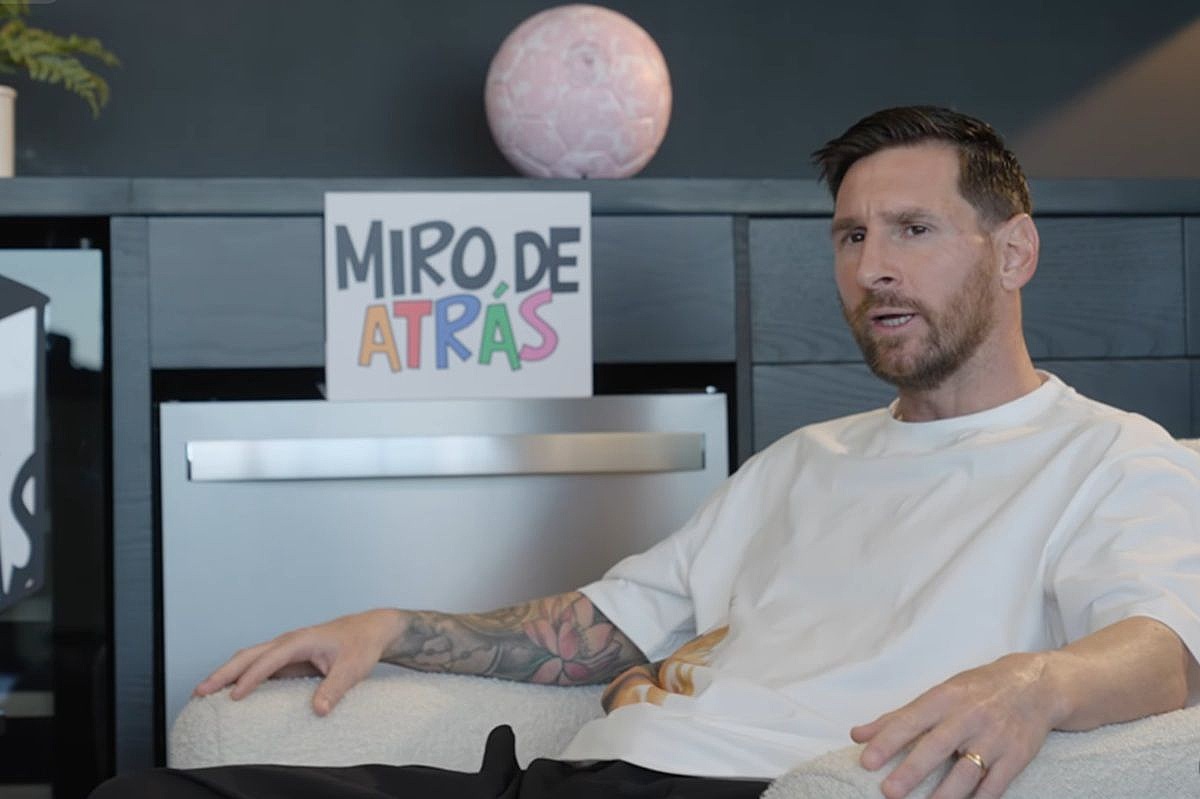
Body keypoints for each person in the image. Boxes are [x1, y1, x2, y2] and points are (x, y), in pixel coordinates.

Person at [92, 106, 1200, 799]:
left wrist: (1032, 682)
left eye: (914, 230)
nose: (872, 268)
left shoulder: (1109, 456)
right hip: (568, 775)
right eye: (851, 235)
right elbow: (596, 634)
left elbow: (1166, 649)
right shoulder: (803, 461)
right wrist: (392, 626)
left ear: (1014, 251)